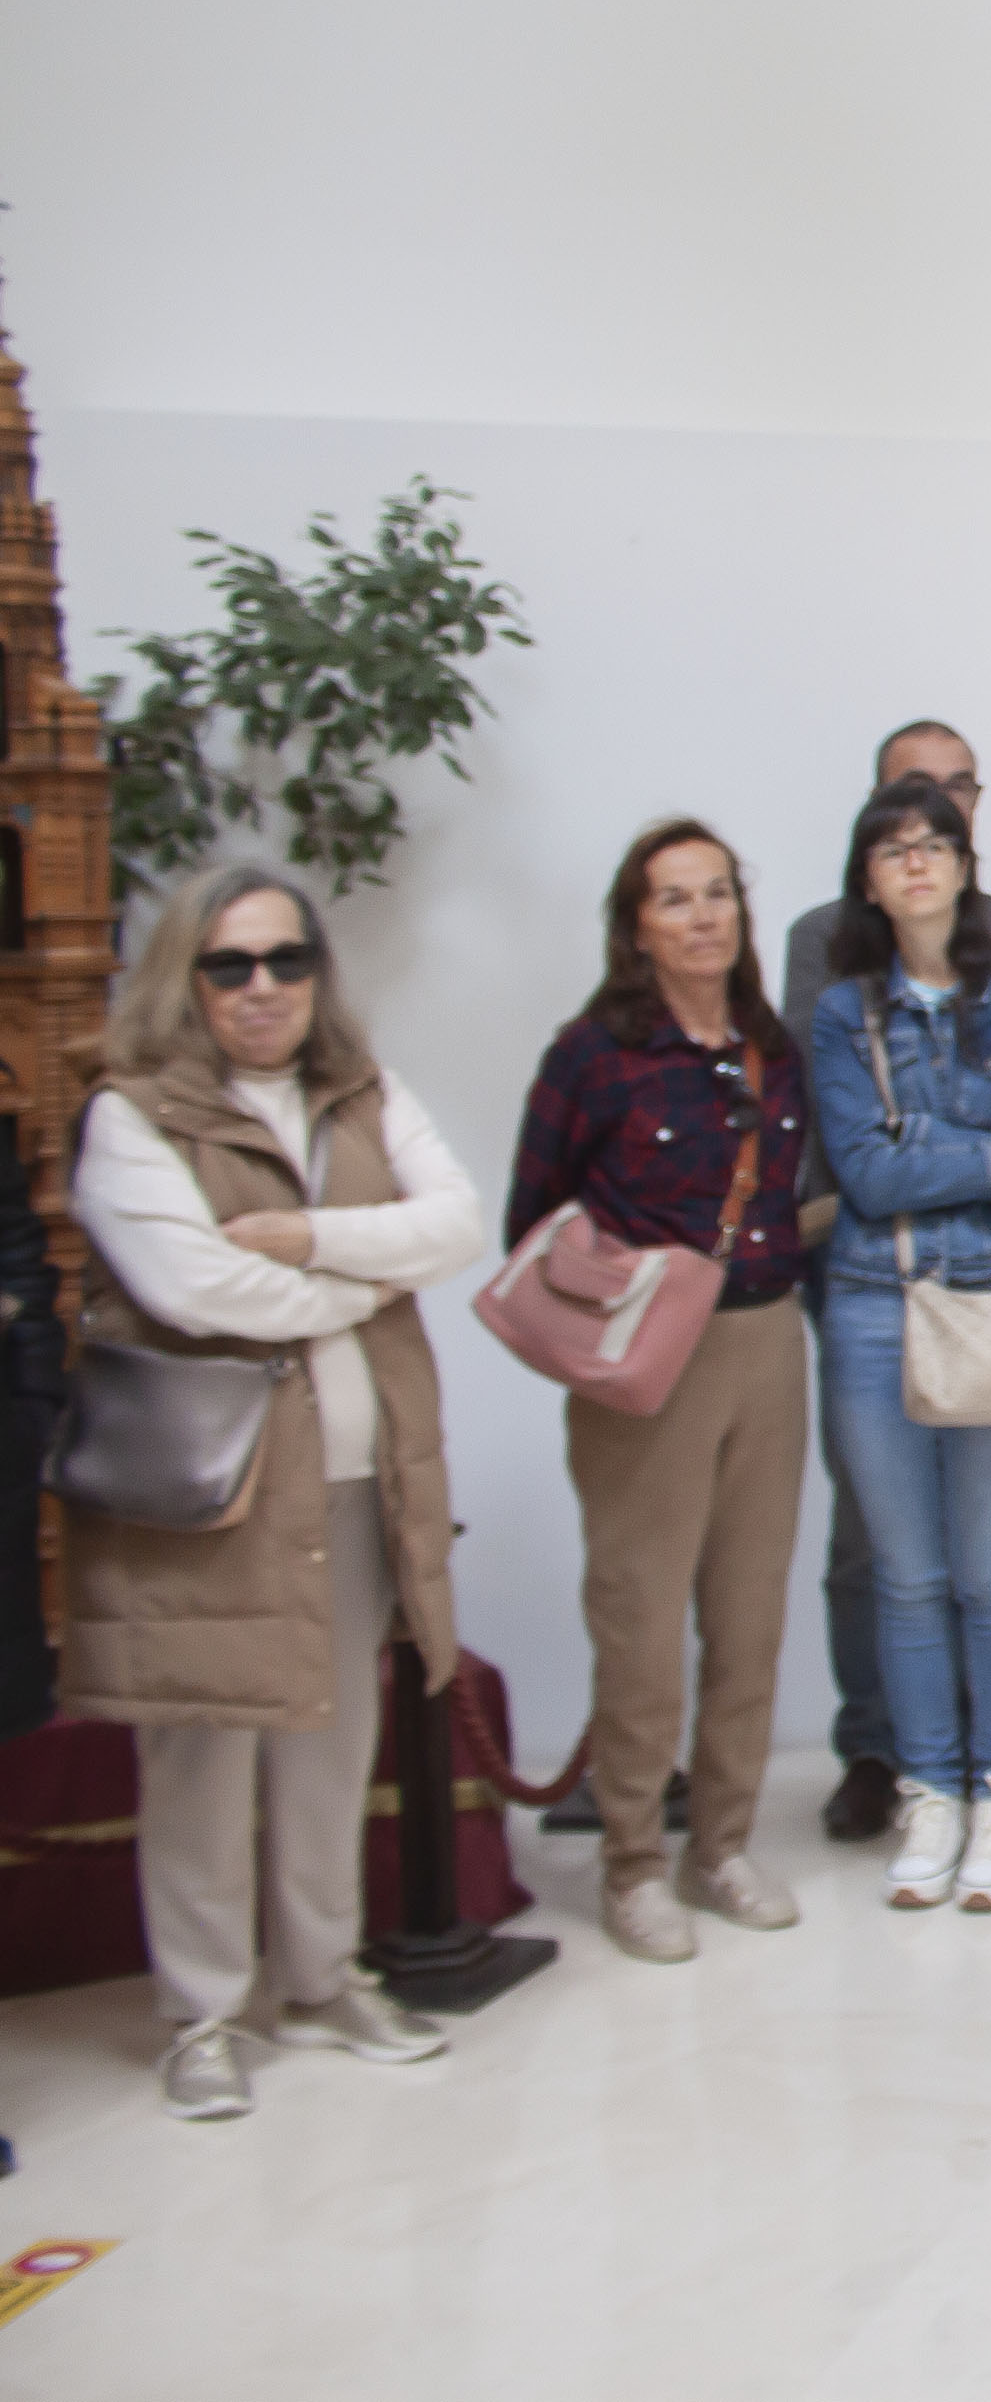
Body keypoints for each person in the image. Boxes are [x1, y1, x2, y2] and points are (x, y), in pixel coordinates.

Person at [65, 865, 484, 2119]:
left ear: (317, 973)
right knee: (202, 1750)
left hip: (361, 1478)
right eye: (231, 963)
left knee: (329, 1741)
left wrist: (310, 1239)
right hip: (215, 1494)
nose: (263, 986)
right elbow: (193, 1287)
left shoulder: (364, 1090)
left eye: (286, 959)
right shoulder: (132, 1114)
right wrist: (370, 1280)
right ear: (187, 978)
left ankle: (322, 1978)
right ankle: (201, 2011)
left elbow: (455, 1223)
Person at [506, 820, 818, 1962]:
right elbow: (535, 1220)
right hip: (647, 1365)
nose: (702, 916)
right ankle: (632, 1864)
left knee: (749, 1616)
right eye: (675, 898)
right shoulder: (592, 1056)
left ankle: (720, 1847)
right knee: (639, 1621)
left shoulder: (771, 1047)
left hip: (768, 1345)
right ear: (635, 926)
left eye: (718, 892)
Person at [788, 719, 991, 1844]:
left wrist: (946, 1149)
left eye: (947, 814)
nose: (922, 844)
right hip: (867, 1285)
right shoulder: (830, 976)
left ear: (969, 846)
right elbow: (857, 1162)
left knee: (990, 1567)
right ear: (866, 860)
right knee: (889, 1564)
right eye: (898, 827)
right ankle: (905, 1771)